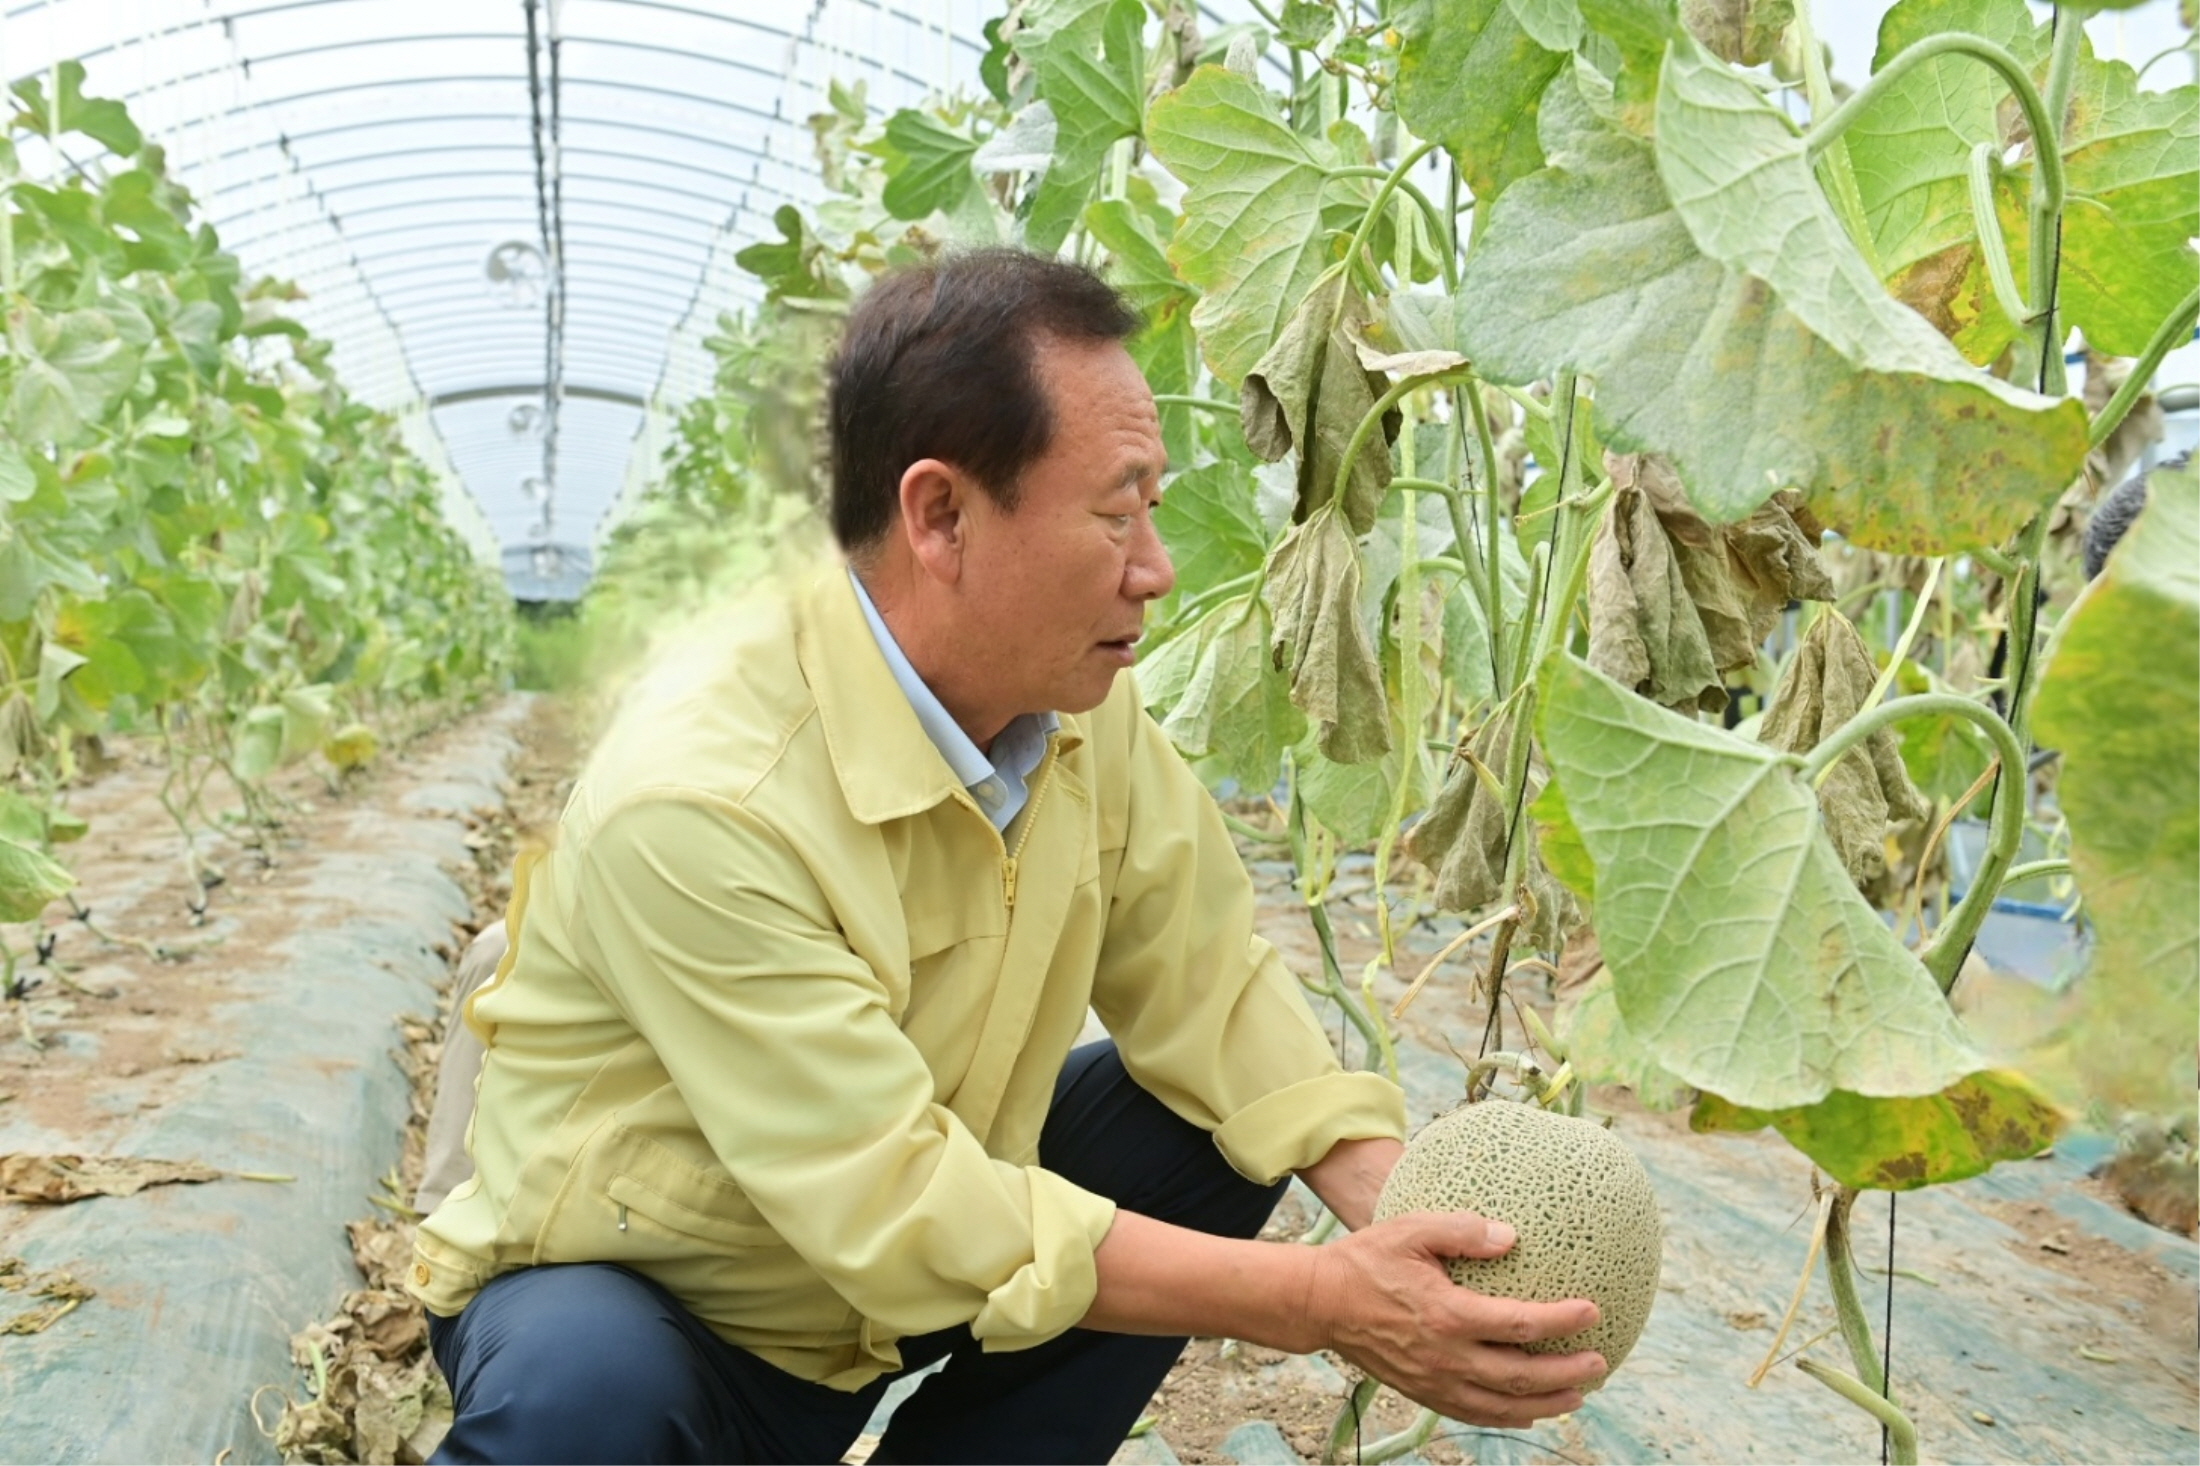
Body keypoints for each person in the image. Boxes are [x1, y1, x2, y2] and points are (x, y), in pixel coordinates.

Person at [408, 249, 1606, 1465]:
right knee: (587, 1394)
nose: (1156, 565)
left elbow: (1207, 982)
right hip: (658, 1305)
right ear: (940, 516)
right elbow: (894, 1198)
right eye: (1116, 512)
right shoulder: (702, 796)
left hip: (873, 1306)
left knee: (1213, 1123)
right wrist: (1321, 1298)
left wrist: (1402, 1208)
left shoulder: (1076, 704)